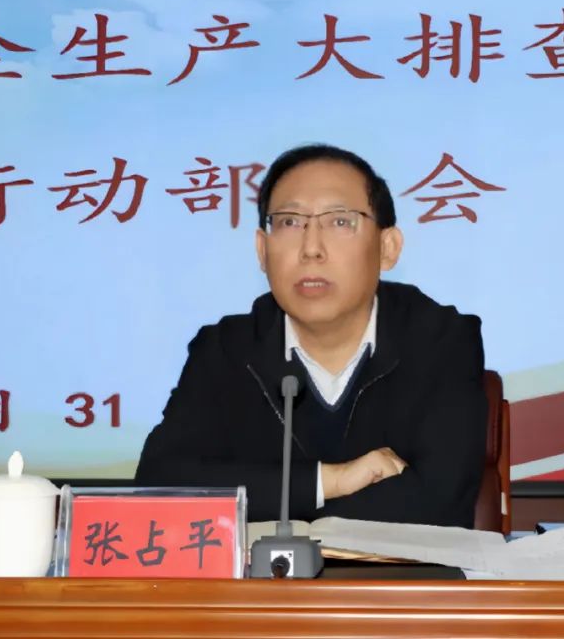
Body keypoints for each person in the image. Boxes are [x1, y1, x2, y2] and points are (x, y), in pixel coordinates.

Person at [135, 144, 487, 527]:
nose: (311, 249)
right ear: (262, 250)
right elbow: (160, 486)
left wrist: (274, 504)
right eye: (290, 222)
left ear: (387, 248)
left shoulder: (442, 340)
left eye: (340, 222)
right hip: (262, 571)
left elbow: (439, 504)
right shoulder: (226, 350)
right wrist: (329, 481)